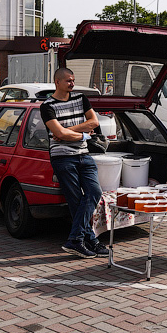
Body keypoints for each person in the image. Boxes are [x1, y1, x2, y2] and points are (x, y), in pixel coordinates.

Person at [41, 67, 109, 258]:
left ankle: (75, 240)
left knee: (94, 192)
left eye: (73, 80)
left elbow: (94, 122)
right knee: (76, 201)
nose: (72, 84)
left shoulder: (81, 99)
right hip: (62, 158)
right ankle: (90, 240)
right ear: (57, 82)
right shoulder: (47, 106)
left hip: (84, 155)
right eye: (68, 81)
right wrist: (82, 135)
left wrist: (70, 131)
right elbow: (59, 134)